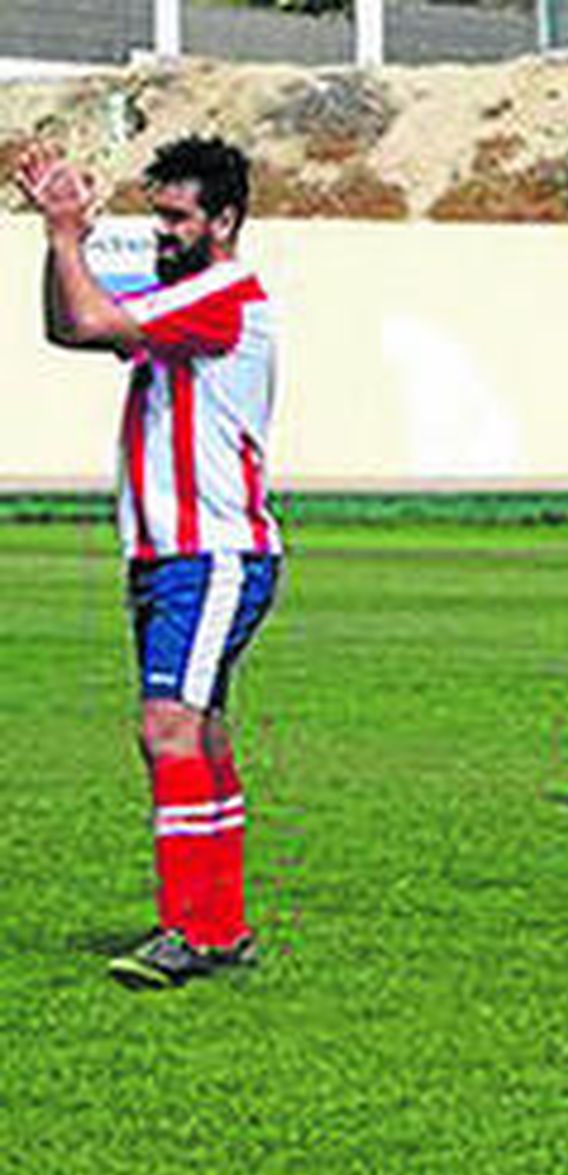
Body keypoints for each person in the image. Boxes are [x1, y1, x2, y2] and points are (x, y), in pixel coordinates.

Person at [17, 137, 281, 988]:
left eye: (177, 217)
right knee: (198, 731)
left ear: (225, 220)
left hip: (212, 554)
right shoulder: (187, 295)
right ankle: (220, 925)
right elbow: (68, 327)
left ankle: (190, 931)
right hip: (176, 556)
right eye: (158, 215)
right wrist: (56, 240)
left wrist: (67, 235)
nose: (162, 232)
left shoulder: (221, 295)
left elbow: (92, 316)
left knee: (166, 728)